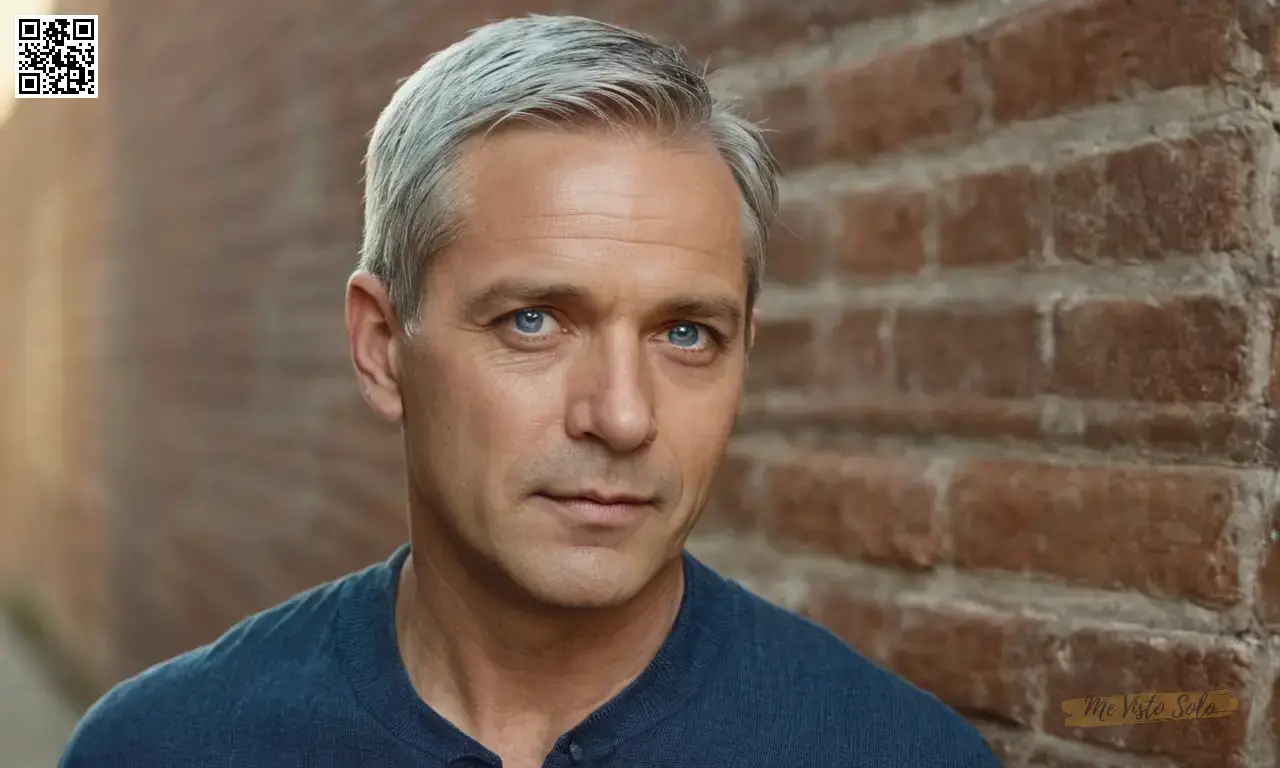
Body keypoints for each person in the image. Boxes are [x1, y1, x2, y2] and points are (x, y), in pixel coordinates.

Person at [60, 14, 1001, 768]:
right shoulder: (161, 746)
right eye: (533, 322)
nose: (623, 417)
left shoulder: (895, 753)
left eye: (686, 334)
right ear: (384, 347)